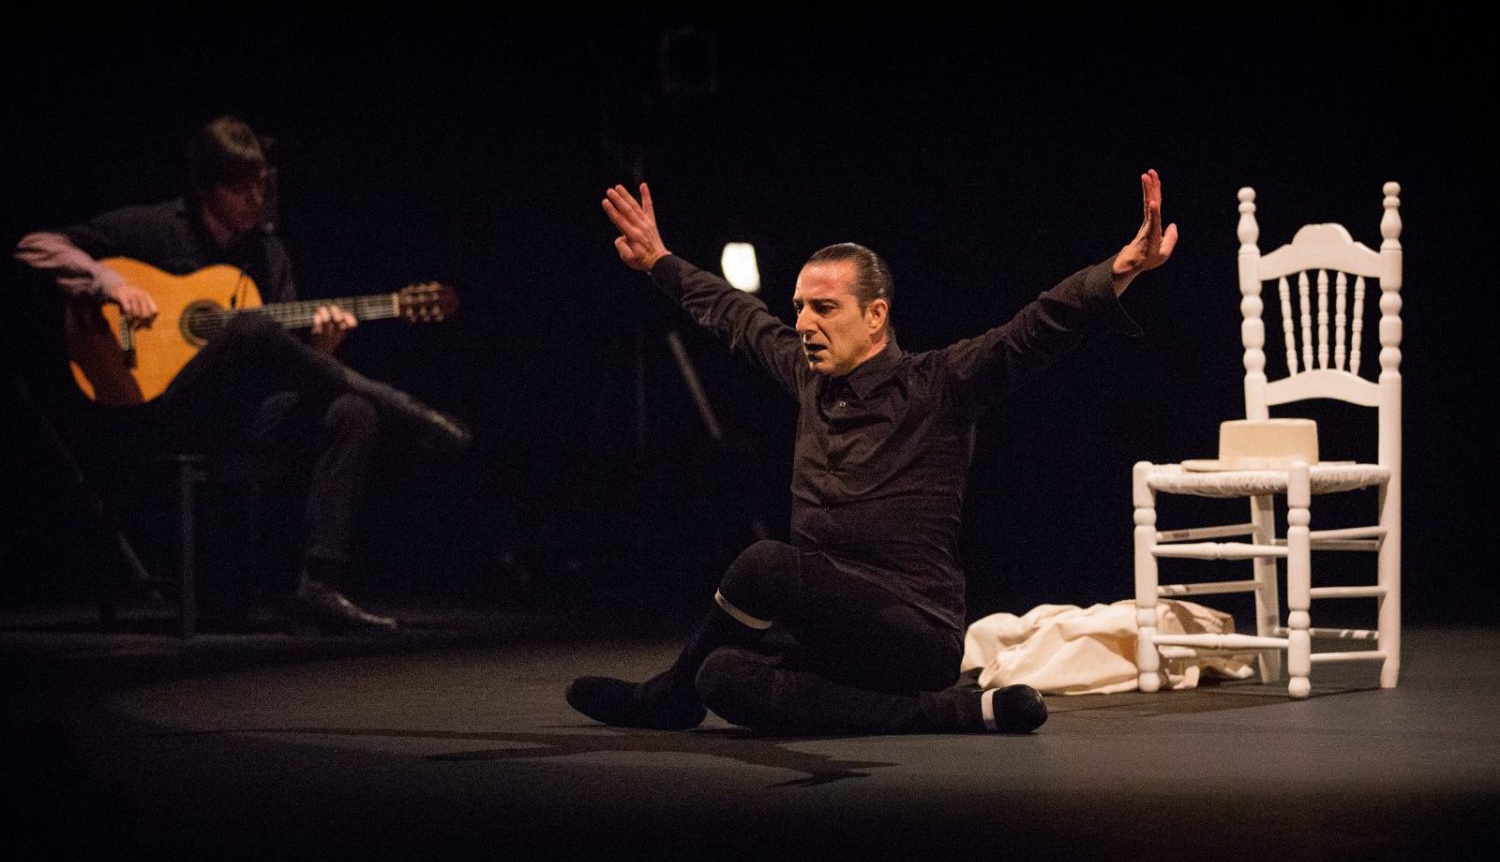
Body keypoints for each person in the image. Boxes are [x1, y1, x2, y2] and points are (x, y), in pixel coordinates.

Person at [566, 170, 1176, 734]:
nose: (804, 323)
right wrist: (659, 261)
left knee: (763, 565)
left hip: (912, 629)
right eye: (800, 308)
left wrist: (1120, 269)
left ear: (875, 315)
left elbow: (1034, 330)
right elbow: (738, 316)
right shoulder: (809, 376)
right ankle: (957, 712)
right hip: (829, 632)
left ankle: (668, 696)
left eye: (824, 308)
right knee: (721, 676)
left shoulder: (937, 384)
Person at [13, 115, 471, 632]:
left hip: (239, 417)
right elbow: (35, 245)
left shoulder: (268, 253)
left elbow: (285, 359)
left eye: (261, 186)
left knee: (350, 411)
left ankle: (319, 586)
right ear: (205, 189)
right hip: (160, 409)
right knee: (249, 326)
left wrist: (322, 347)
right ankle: (404, 409)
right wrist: (110, 284)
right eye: (240, 189)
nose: (256, 200)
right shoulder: (157, 228)